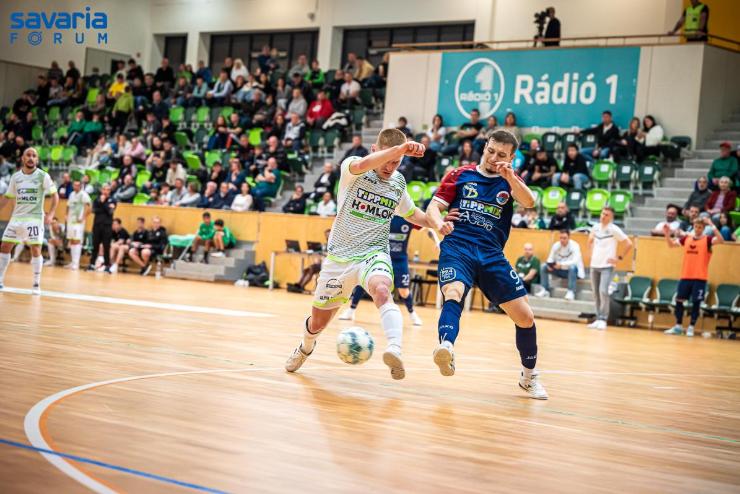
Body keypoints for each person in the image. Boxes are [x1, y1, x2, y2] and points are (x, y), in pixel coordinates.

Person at [284, 128, 450, 381]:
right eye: (387, 160)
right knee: (317, 323)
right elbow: (363, 164)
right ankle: (305, 346)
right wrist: (400, 150)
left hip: (373, 254)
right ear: (376, 150)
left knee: (382, 289)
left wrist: (437, 223)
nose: (391, 167)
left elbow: (411, 213)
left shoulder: (397, 182)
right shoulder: (353, 167)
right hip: (339, 259)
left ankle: (395, 350)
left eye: (397, 162)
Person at [425, 129, 547, 399]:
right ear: (485, 147)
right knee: (453, 293)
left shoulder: (509, 181)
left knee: (525, 317)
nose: (493, 157)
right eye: (491, 151)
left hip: (491, 254)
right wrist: (439, 224)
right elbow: (433, 208)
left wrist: (511, 177)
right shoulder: (460, 175)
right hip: (458, 247)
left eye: (501, 155)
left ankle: (529, 377)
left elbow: (530, 201)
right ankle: (446, 347)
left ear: (511, 157)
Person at [340, 215, 427, 326]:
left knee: (403, 291)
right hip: (381, 257)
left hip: (400, 260)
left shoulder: (408, 217)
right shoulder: (383, 215)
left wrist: (437, 242)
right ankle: (351, 311)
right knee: (365, 282)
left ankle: (412, 314)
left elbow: (426, 229)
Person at [0, 148, 59, 294]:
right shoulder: (15, 177)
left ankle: (36, 284)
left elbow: (55, 196)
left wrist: (51, 214)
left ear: (37, 160)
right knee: (5, 246)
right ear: (23, 158)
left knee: (35, 249)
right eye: (28, 155)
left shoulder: (42, 176)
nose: (31, 158)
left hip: (34, 218)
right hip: (16, 218)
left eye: (34, 156)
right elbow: (7, 197)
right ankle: (0, 280)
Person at [663, 218, 721, 336]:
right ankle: (678, 326)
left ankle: (691, 327)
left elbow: (721, 240)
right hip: (685, 276)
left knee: (696, 303)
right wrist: (667, 234)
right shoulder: (687, 239)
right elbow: (671, 245)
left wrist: (711, 224)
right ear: (693, 226)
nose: (697, 229)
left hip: (700, 278)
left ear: (703, 228)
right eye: (696, 226)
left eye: (700, 227)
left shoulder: (708, 240)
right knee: (679, 300)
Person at [586, 207, 632, 330]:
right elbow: (590, 241)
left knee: (603, 291)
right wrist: (590, 254)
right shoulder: (595, 227)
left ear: (611, 217)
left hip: (607, 266)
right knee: (595, 293)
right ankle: (597, 317)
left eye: (606, 214)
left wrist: (619, 257)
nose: (603, 216)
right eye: (602, 213)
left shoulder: (614, 229)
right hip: (594, 265)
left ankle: (603, 319)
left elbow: (628, 243)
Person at [535, 229, 585, 301]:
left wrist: (561, 264)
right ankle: (545, 290)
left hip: (572, 272)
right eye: (561, 238)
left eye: (564, 238)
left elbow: (575, 261)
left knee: (572, 267)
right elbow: (550, 258)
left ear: (569, 237)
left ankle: (571, 292)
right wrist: (550, 264)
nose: (562, 240)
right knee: (543, 266)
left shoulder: (575, 245)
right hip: (559, 270)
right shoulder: (556, 245)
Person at [88, 184, 116, 273]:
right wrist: (105, 206)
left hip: (107, 227)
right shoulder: (97, 199)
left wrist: (103, 203)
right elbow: (94, 210)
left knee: (106, 246)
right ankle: (92, 264)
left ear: (110, 191)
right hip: (97, 225)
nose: (106, 191)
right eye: (104, 189)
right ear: (102, 190)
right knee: (95, 246)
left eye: (108, 189)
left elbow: (110, 212)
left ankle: (107, 265)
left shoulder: (113, 200)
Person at [65, 180, 91, 270]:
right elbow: (68, 205)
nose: (75, 186)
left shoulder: (83, 195)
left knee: (77, 241)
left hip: (78, 222)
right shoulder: (71, 194)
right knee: (72, 241)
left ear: (80, 186)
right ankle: (72, 262)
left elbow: (89, 207)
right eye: (74, 185)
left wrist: (83, 217)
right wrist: (66, 215)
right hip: (70, 221)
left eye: (77, 185)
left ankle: (76, 263)